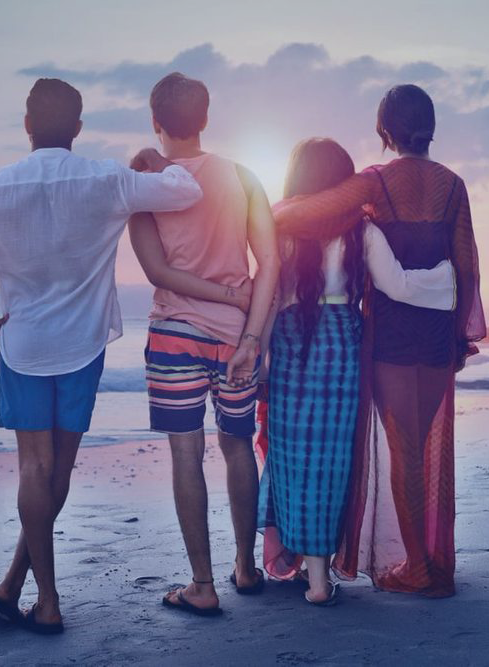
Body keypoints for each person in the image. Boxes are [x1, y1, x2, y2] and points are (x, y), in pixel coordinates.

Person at [0, 78, 203, 633]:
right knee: (59, 470)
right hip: (82, 345)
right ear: (77, 128)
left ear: (27, 126)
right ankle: (30, 593)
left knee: (34, 469)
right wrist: (152, 161)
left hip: (23, 345)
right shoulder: (107, 178)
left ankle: (32, 593)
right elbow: (184, 190)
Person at [273, 84, 486, 597]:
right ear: (430, 128)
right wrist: (460, 335)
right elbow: (468, 265)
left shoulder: (376, 182)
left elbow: (299, 215)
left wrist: (326, 213)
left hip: (390, 336)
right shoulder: (454, 186)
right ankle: (430, 561)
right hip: (436, 334)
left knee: (405, 451)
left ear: (384, 131)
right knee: (429, 445)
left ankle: (417, 566)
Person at [128, 72, 279, 616]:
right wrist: (252, 332)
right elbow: (271, 263)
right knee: (239, 444)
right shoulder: (243, 175)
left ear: (156, 122)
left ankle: (202, 584)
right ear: (206, 119)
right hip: (236, 337)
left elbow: (157, 271)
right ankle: (245, 567)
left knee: (186, 454)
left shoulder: (146, 183)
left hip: (175, 334)